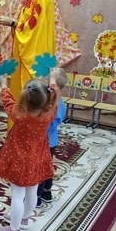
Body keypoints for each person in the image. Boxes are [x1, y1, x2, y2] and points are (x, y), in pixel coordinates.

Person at [0, 68, 61, 231]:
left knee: (17, 195)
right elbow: (55, 99)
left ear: (24, 96)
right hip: (38, 159)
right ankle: (23, 219)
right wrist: (53, 80)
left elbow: (7, 100)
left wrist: (4, 84)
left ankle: (14, 230)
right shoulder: (48, 114)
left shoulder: (19, 114)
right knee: (31, 192)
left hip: (20, 160)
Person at [0, 0, 56, 126]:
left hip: (33, 53)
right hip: (24, 51)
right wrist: (14, 23)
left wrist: (13, 23)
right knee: (19, 95)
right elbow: (28, 21)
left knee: (30, 96)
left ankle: (28, 133)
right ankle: (17, 132)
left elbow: (36, 27)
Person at [37, 68, 68, 206]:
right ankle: (47, 192)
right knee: (48, 166)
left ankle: (36, 197)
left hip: (43, 140)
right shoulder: (61, 103)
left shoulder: (49, 104)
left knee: (39, 169)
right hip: (52, 139)